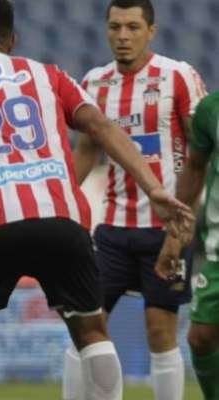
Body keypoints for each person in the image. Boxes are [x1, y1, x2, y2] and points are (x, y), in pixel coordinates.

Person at [0, 1, 194, 399]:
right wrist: (155, 189)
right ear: (12, 40)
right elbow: (101, 126)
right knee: (91, 330)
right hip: (61, 219)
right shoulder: (47, 75)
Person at [66, 1, 208, 399]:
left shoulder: (178, 77)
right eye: (115, 27)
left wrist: (184, 226)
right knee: (84, 326)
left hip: (167, 229)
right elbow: (86, 153)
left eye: (132, 27)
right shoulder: (94, 83)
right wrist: (58, 202)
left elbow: (200, 154)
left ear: (152, 31)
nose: (123, 37)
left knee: (160, 329)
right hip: (111, 229)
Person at [157, 91, 219, 400]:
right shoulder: (211, 110)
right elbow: (195, 166)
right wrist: (176, 230)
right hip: (217, 251)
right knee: (200, 337)